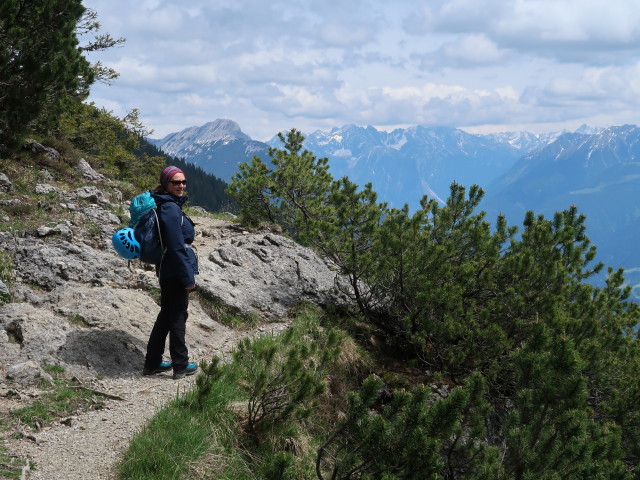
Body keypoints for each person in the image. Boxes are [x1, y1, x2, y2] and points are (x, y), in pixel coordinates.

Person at [142, 166, 199, 379]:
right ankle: (181, 365)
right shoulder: (170, 209)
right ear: (166, 184)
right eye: (176, 182)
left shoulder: (165, 204)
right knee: (177, 317)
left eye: (183, 182)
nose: (181, 186)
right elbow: (175, 247)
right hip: (174, 271)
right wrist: (188, 279)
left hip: (166, 269)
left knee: (166, 316)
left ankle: (152, 362)